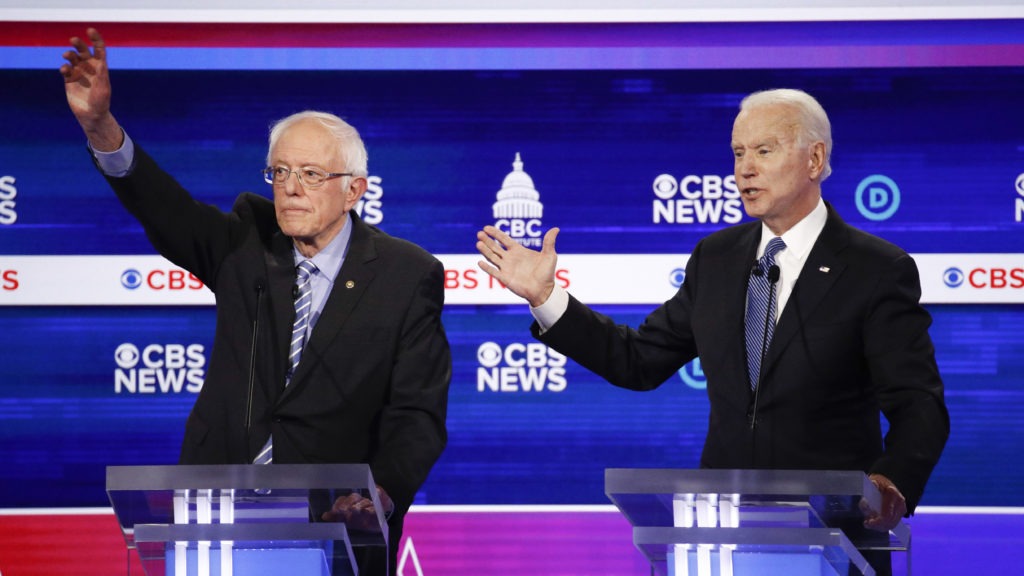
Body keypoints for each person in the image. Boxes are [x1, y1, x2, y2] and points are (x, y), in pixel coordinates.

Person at [476, 88, 949, 573]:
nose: (745, 169)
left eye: (764, 151)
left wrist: (891, 482)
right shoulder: (717, 259)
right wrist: (545, 299)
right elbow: (638, 360)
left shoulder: (874, 268)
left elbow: (919, 406)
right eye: (739, 153)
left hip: (837, 541)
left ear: (815, 159)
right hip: (724, 536)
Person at [61, 29, 451, 576]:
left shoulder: (406, 275)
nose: (291, 188)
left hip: (336, 526)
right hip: (215, 515)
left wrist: (380, 496)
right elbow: (165, 209)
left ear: (354, 190)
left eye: (312, 175)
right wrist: (100, 127)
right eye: (281, 172)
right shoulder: (246, 244)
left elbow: (417, 414)